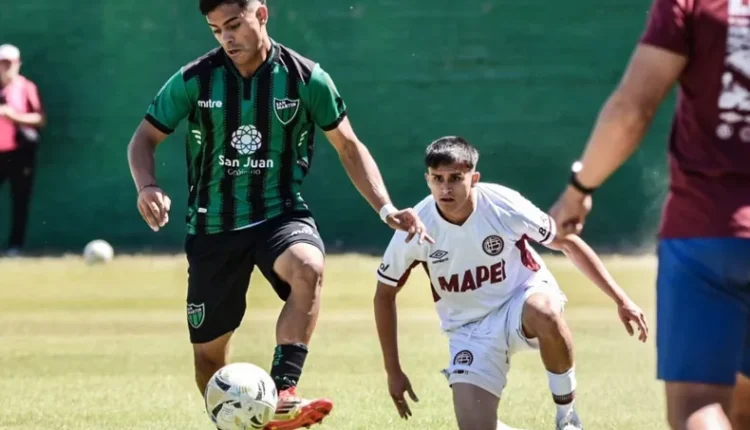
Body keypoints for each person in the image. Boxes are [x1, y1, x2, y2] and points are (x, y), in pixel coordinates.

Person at [126, 1, 432, 429]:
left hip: (279, 213)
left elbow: (348, 146)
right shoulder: (195, 78)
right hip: (214, 226)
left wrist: (385, 208)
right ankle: (245, 421)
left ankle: (284, 391)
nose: (226, 37)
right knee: (209, 360)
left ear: (262, 14)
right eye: (216, 30)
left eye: (234, 24)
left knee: (308, 266)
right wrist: (147, 186)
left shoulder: (306, 78)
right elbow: (143, 139)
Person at [547, 0, 750, 427]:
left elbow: (632, 109)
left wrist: (579, 190)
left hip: (707, 231)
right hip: (707, 231)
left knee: (699, 402)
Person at [373, 136, 648, 430]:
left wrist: (621, 299)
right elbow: (384, 295)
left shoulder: (502, 204)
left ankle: (567, 418)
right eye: (437, 179)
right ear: (427, 179)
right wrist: (393, 371)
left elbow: (566, 242)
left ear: (474, 178)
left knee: (545, 311)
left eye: (455, 178)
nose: (445, 188)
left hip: (521, 297)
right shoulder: (416, 225)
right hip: (468, 329)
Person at [0, 43, 45, 257]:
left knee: (20, 201)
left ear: (18, 64)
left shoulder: (26, 87)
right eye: (2, 63)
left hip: (19, 155)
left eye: (9, 63)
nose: (6, 67)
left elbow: (40, 118)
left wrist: (13, 116)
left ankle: (15, 246)